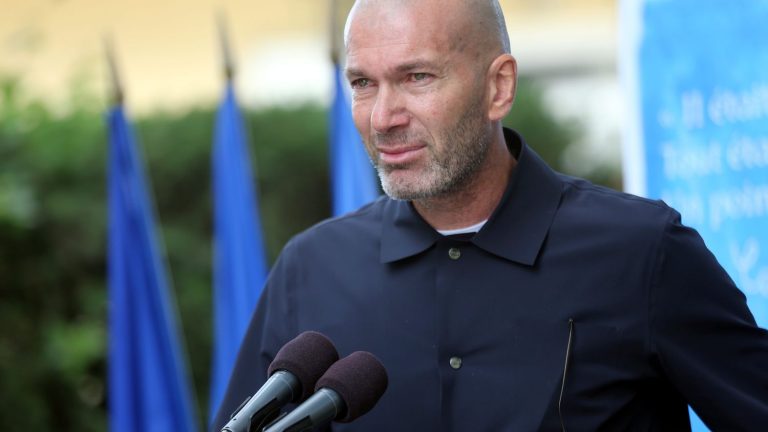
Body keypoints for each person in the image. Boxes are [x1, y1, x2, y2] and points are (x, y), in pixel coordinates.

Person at [212, 0, 768, 430]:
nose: (383, 117)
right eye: (363, 83)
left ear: (498, 86)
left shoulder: (644, 251)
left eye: (416, 77)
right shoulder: (309, 271)